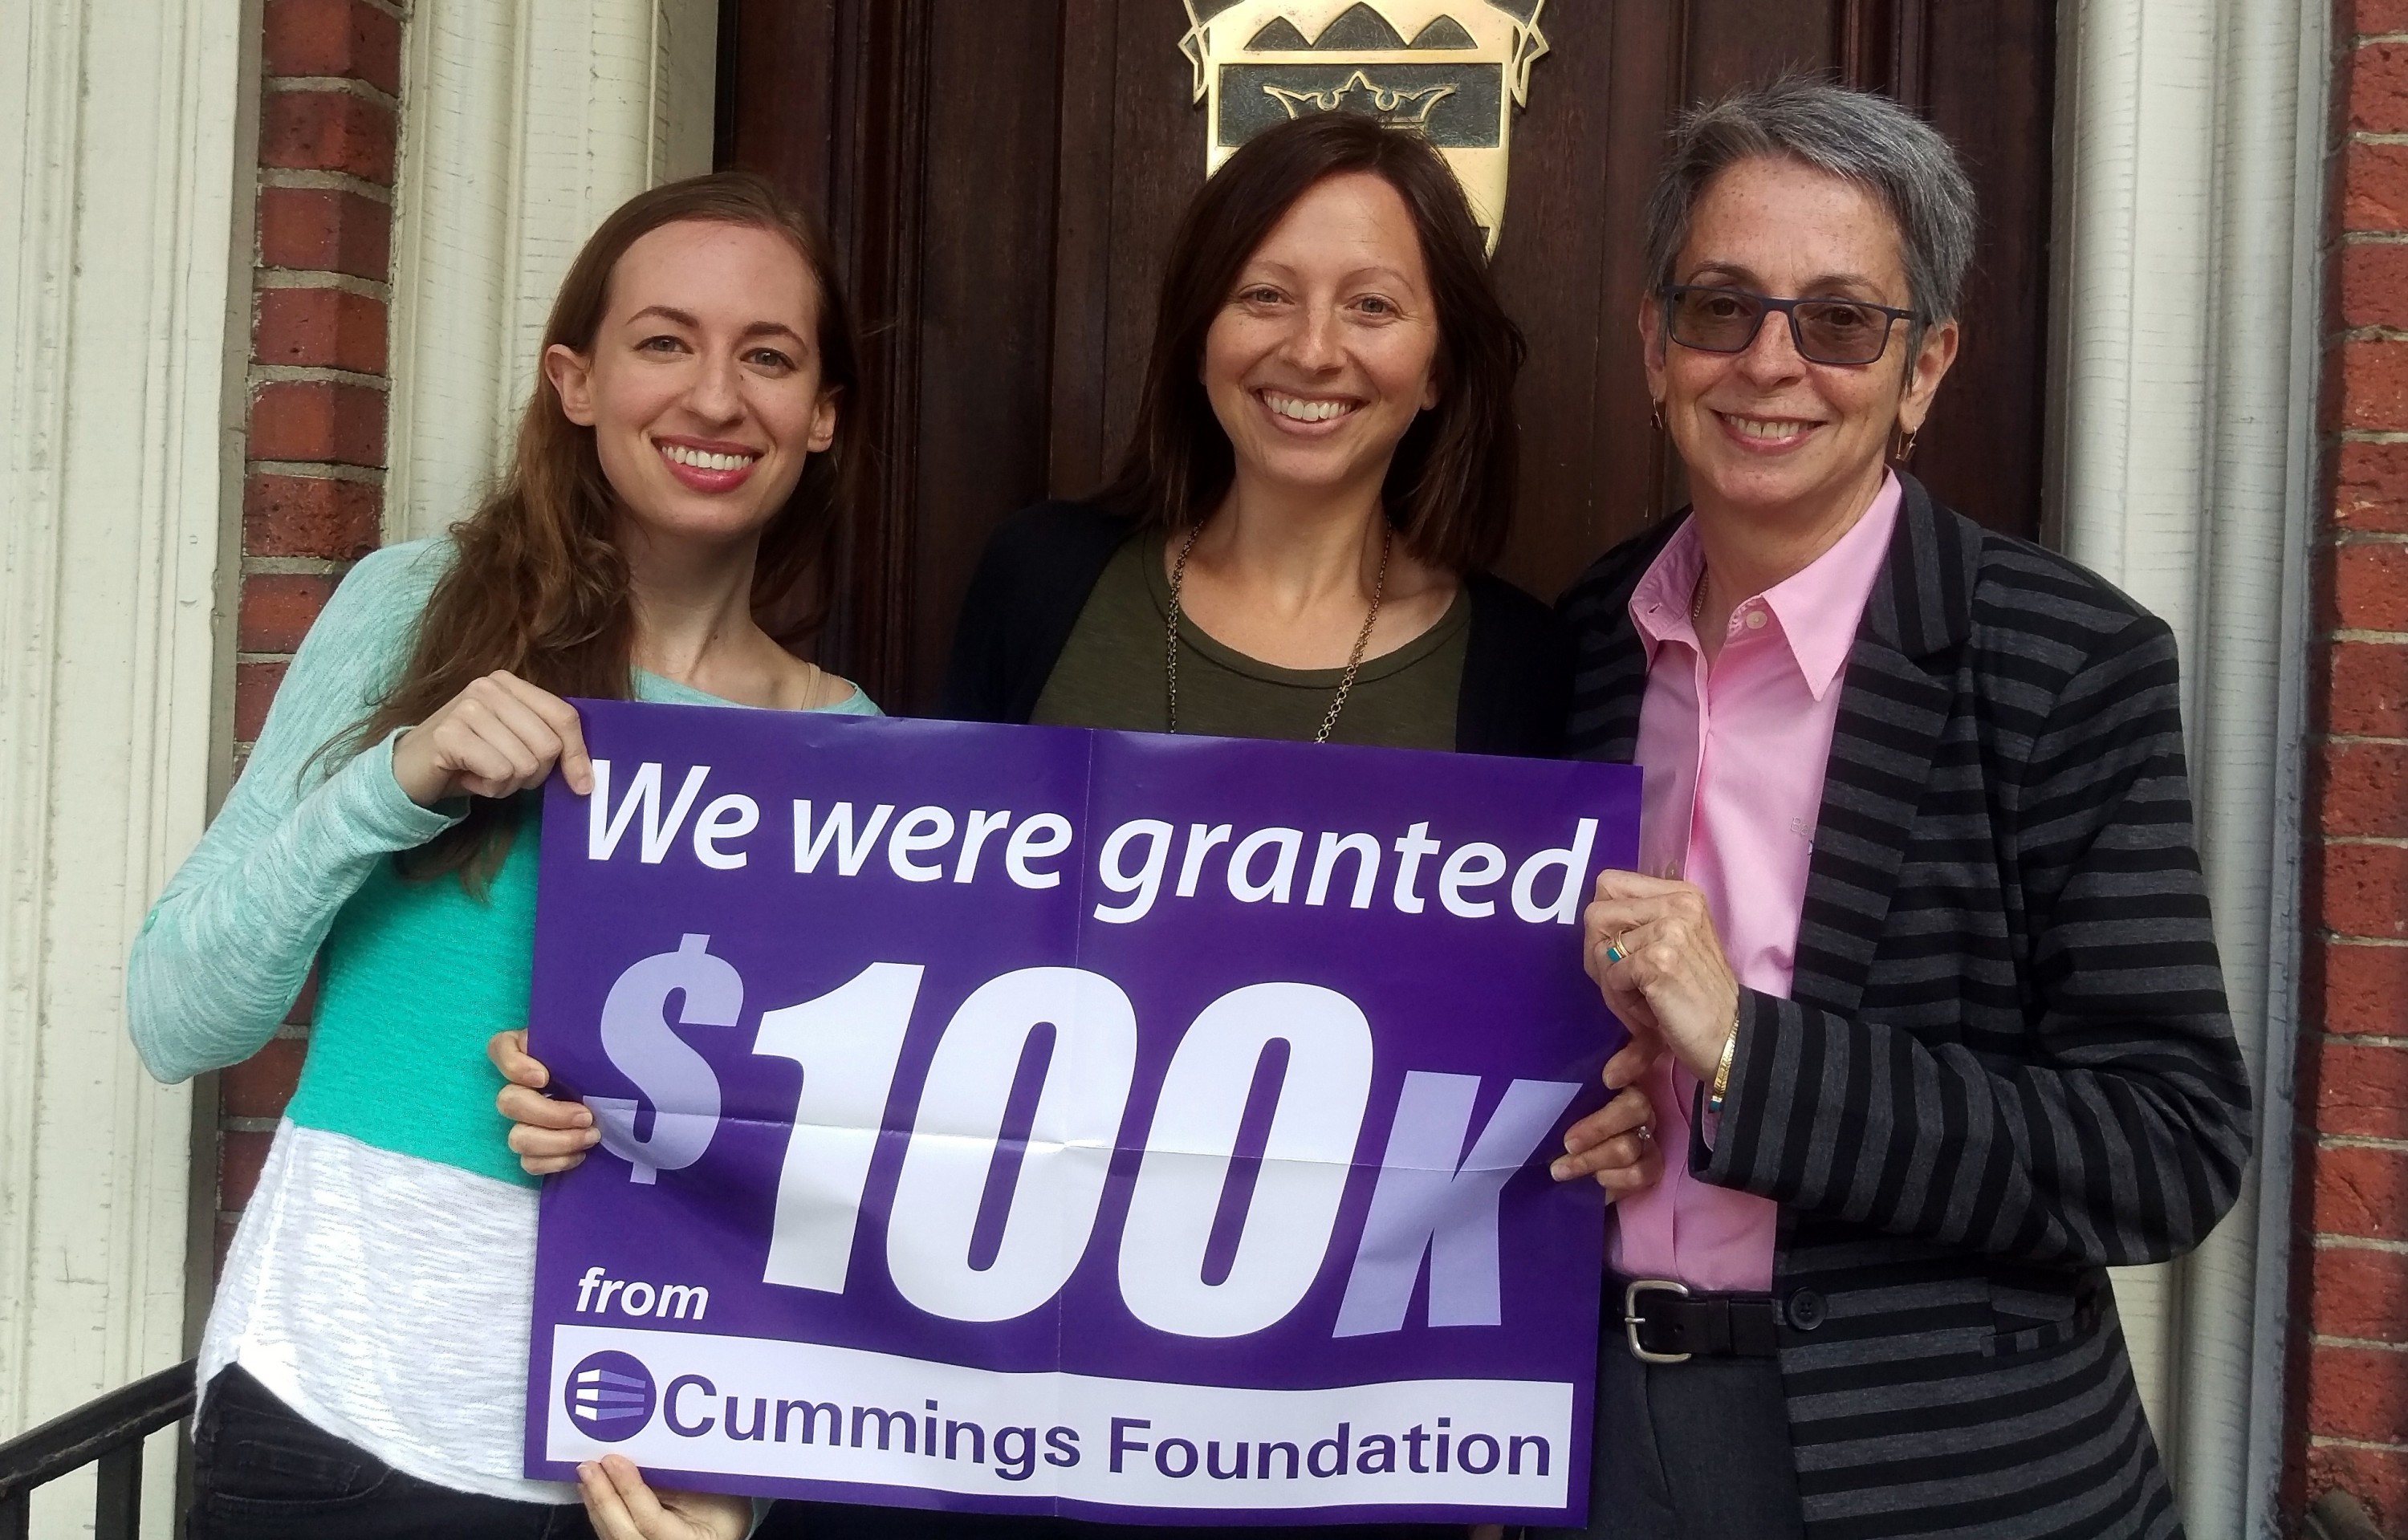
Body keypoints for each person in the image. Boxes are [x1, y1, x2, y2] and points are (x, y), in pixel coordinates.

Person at [498, 113, 1649, 1539]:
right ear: (1200, 331)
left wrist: (1593, 1140)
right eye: (1265, 295)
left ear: (1437, 368)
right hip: (983, 1437)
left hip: (1328, 1460)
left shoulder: (1528, 664)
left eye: (1372, 305)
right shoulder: (1046, 578)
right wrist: (624, 1089)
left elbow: (1537, 1066)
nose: (1312, 349)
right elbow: (878, 976)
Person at [1540, 78, 2254, 1538]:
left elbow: (2166, 1146)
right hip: (1591, 1430)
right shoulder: (1584, 641)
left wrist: (1746, 1049)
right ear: (1655, 350)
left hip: (1935, 1467)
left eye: (1841, 320)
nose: (1772, 363)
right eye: (1722, 306)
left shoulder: (2063, 663)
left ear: (1924, 367)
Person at [128, 171, 874, 1540]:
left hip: (646, 1477)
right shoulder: (414, 610)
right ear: (574, 381)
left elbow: (839, 1177)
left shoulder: (856, 756)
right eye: (664, 341)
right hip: (331, 1423)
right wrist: (398, 780)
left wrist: (749, 1491)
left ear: (819, 417)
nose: (715, 396)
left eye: (767, 356)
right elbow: (179, 1014)